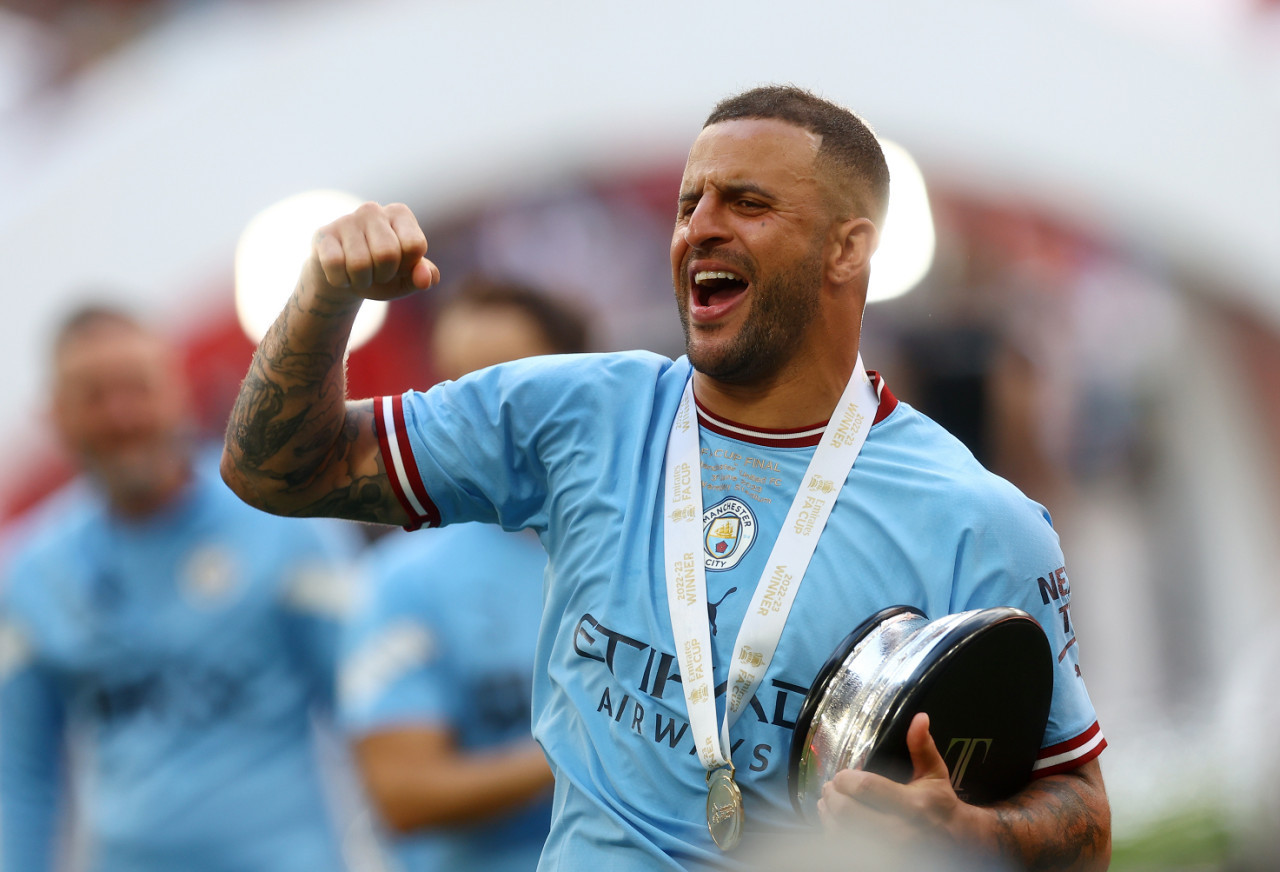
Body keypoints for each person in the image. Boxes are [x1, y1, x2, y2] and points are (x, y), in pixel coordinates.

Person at [220, 85, 1111, 870]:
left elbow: (1081, 816)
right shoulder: (578, 413)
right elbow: (279, 470)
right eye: (689, 202)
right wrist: (323, 300)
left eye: (748, 201)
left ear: (849, 248)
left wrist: (975, 837)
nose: (700, 226)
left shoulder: (977, 520)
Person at [0, 305, 361, 871]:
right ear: (57, 416)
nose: (121, 416)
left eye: (136, 389)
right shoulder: (29, 575)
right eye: (93, 396)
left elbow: (371, 713)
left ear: (177, 392)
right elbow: (19, 779)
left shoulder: (285, 528)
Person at [339, 278, 590, 871]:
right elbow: (402, 791)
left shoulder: (658, 543)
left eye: (509, 381)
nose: (481, 414)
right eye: (458, 387)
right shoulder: (403, 580)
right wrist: (592, 748)